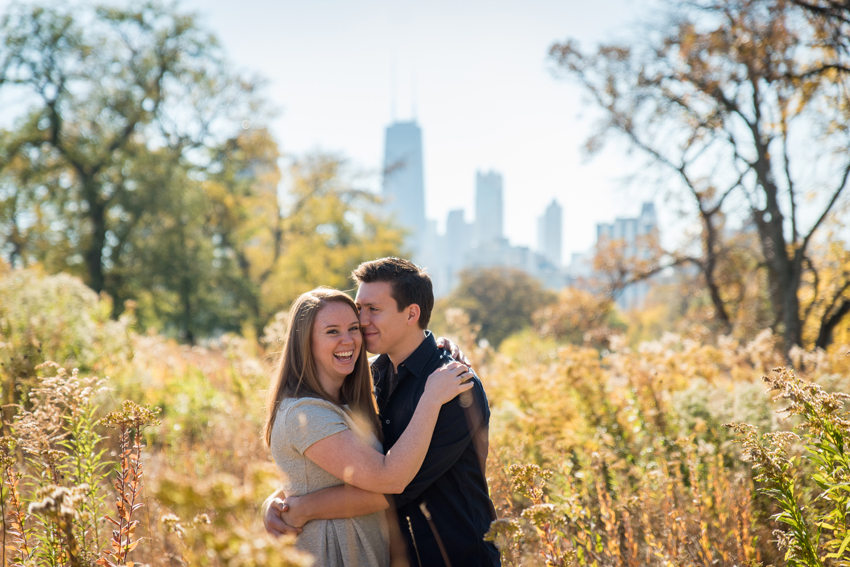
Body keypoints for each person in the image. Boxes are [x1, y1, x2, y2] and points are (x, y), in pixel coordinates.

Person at [264, 257, 501, 567]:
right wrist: (279, 498)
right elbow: (346, 461)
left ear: (411, 314)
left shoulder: (453, 387)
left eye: (373, 310)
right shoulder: (371, 377)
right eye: (359, 309)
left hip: (452, 556)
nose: (362, 321)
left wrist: (303, 507)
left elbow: (394, 486)